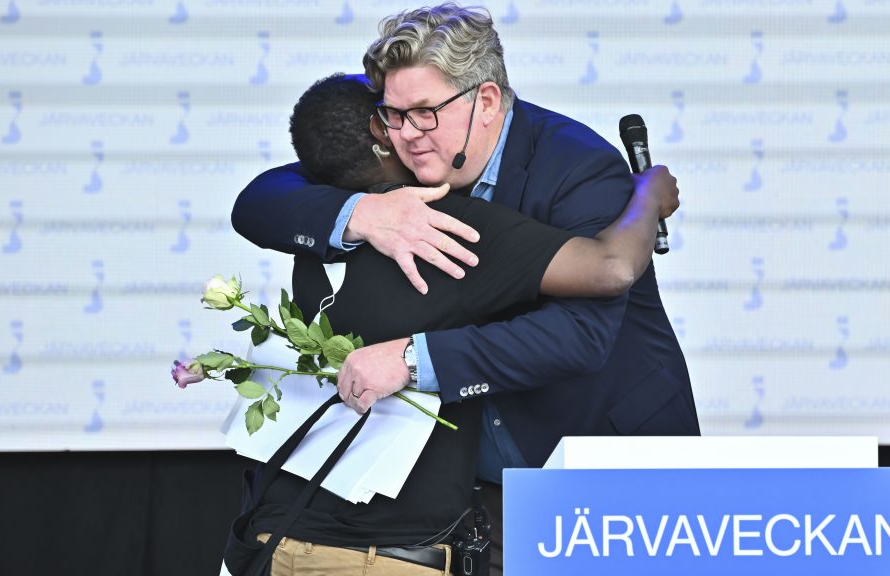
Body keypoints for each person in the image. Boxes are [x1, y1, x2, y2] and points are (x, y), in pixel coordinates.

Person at [232, 5, 701, 573]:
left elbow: (580, 336)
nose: (404, 135)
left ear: (485, 102)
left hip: (600, 459)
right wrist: (364, 212)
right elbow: (266, 195)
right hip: (477, 496)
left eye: (424, 113)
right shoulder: (400, 162)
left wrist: (411, 359)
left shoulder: (578, 167)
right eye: (392, 116)